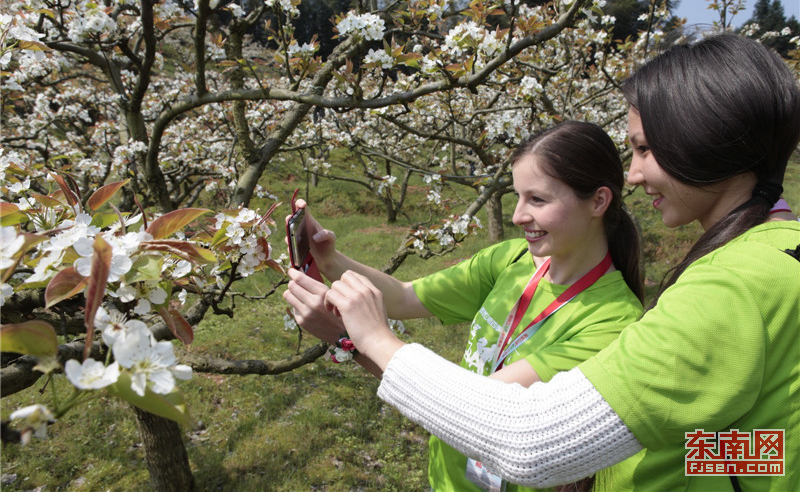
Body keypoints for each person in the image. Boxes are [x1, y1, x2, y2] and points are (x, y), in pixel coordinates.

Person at [304, 33, 800, 490]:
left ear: (705, 138)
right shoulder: (775, 257)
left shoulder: (732, 287)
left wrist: (360, 339)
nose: (633, 174)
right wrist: (650, 449)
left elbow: (526, 439)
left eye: (646, 149)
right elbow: (772, 447)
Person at [284, 121, 645, 491]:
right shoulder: (511, 259)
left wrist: (350, 339)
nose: (518, 215)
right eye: (518, 196)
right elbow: (404, 296)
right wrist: (329, 261)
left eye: (537, 200)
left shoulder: (612, 323)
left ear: (598, 201)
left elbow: (478, 412)